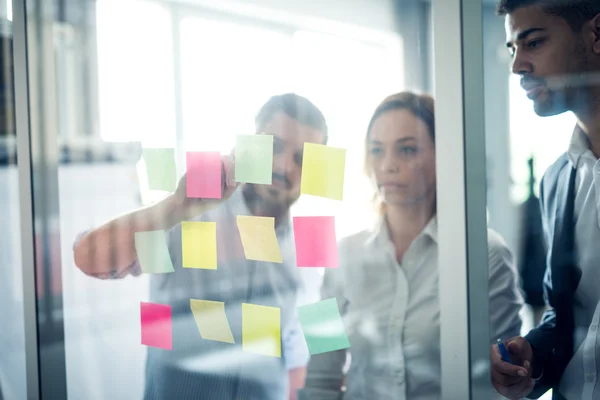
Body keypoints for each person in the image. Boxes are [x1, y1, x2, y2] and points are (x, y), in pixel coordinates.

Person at [73, 93, 328, 400]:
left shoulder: (309, 247)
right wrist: (178, 206)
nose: (285, 166)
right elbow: (88, 258)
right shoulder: (191, 215)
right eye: (274, 147)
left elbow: (299, 355)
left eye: (303, 158)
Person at [299, 92, 524, 400]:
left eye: (407, 149)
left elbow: (502, 384)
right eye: (377, 150)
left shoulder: (486, 254)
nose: (388, 165)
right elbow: (321, 374)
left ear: (441, 156)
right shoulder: (341, 254)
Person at [491, 1, 600, 399]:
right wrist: (531, 356)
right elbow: (571, 318)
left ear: (596, 35)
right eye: (512, 50)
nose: (517, 66)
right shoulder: (556, 180)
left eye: (533, 42)